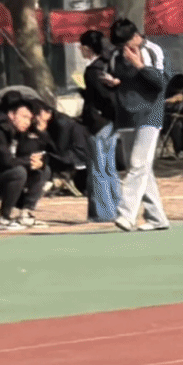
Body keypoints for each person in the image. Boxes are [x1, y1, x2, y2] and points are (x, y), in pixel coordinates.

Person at [107, 18, 171, 232]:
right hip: (126, 117)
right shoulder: (115, 56)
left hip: (149, 116)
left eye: (126, 43)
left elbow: (161, 83)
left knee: (138, 164)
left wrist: (139, 65)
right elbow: (115, 78)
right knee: (141, 169)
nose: (124, 48)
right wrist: (112, 82)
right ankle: (157, 217)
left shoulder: (153, 50)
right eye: (119, 45)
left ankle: (126, 215)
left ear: (136, 36)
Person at [0, 96, 46, 227]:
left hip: (2, 176)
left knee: (43, 170)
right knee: (18, 172)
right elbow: (5, 161)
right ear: (11, 115)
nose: (27, 122)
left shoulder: (19, 134)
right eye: (24, 117)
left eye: (30, 119)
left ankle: (25, 212)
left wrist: (39, 163)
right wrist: (29, 161)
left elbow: (32, 153)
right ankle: (4, 216)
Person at [76, 30, 123, 222]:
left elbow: (103, 97)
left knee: (98, 168)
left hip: (98, 122)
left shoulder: (93, 70)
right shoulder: (109, 65)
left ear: (87, 48)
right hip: (110, 122)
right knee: (109, 167)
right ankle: (117, 208)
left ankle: (103, 212)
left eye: (81, 47)